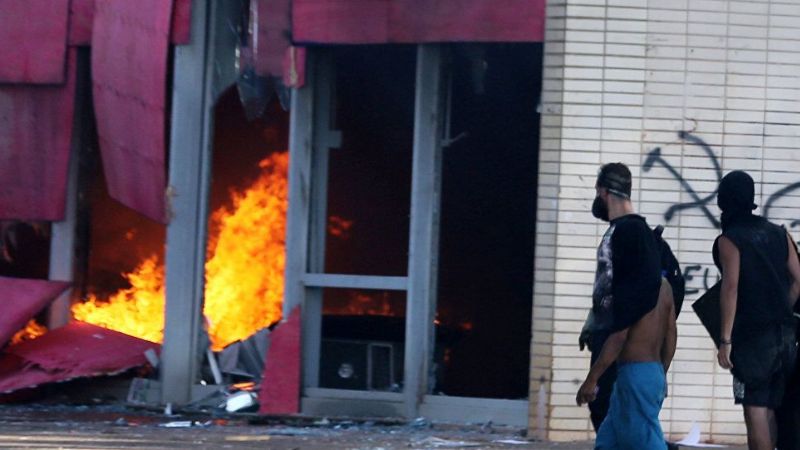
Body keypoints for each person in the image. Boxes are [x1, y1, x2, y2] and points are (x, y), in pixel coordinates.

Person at [576, 162, 677, 450]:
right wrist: (660, 373)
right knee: (608, 441)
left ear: (603, 191)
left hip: (633, 372)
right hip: (643, 373)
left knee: (645, 443)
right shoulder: (662, 285)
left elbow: (621, 328)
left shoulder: (623, 236)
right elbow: (671, 333)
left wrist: (592, 379)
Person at [713, 170, 800, 450]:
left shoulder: (730, 239)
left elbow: (731, 288)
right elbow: (798, 280)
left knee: (755, 410)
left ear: (723, 201)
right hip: (786, 338)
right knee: (772, 406)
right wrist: (781, 308)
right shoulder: (780, 234)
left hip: (752, 341)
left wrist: (725, 340)